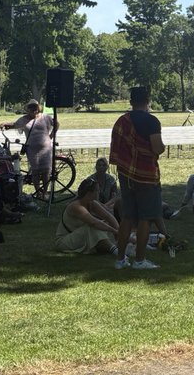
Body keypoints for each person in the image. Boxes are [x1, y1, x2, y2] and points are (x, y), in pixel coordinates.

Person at [108, 87, 166, 269]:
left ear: (131, 102)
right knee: (145, 219)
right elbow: (157, 148)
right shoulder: (151, 121)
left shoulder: (122, 121)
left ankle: (120, 260)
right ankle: (140, 260)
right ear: (148, 101)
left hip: (126, 174)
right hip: (146, 176)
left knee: (127, 217)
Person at [0, 100, 57, 201]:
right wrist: (4, 124)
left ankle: (45, 192)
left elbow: (56, 124)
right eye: (31, 107)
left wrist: (50, 136)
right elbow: (14, 125)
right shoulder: (23, 119)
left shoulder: (45, 117)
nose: (33, 109)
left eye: (35, 107)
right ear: (28, 109)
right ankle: (38, 192)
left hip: (46, 149)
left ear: (38, 108)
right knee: (35, 172)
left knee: (46, 171)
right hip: (32, 149)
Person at [54, 186, 119, 255]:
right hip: (64, 242)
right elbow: (94, 223)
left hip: (81, 237)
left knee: (102, 224)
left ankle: (120, 247)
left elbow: (109, 217)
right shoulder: (76, 206)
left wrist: (119, 236)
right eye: (97, 190)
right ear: (89, 193)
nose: (99, 192)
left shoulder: (92, 203)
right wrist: (115, 231)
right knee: (92, 227)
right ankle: (116, 251)